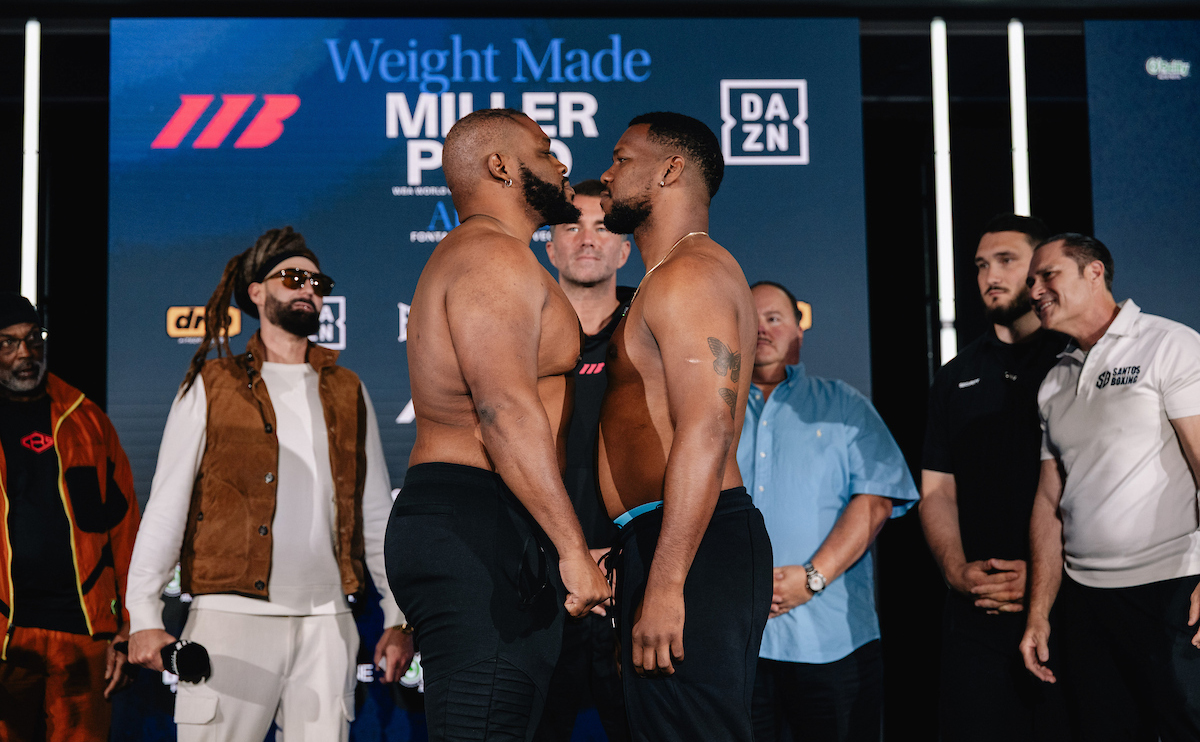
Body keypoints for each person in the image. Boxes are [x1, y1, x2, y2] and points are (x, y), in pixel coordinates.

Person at [124, 228, 411, 741]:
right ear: (256, 291)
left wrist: (397, 614)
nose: (308, 289)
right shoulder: (212, 384)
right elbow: (168, 503)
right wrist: (143, 611)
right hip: (229, 619)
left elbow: (374, 514)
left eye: (317, 282)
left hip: (328, 621)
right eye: (293, 278)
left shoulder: (349, 390)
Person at [384, 108, 609, 742]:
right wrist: (570, 548)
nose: (562, 163)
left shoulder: (497, 256)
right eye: (545, 150)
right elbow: (502, 410)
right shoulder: (490, 259)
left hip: (482, 521)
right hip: (477, 521)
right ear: (500, 166)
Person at [597, 111, 772, 742]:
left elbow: (707, 430)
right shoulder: (664, 277)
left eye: (621, 158)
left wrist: (668, 585)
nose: (606, 173)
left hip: (694, 547)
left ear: (670, 169)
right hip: (668, 539)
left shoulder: (690, 274)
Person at [1020, 234, 1200, 741]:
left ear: (1094, 272)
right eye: (1031, 280)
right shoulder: (1054, 381)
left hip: (1173, 593)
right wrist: (1038, 613)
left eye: (1047, 274)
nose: (1034, 289)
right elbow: (1048, 502)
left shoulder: (1169, 344)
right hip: (1087, 605)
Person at [739, 281, 918, 742]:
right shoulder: (711, 412)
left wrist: (812, 577)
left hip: (831, 643)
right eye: (750, 317)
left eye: (774, 317)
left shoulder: (843, 405)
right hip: (736, 644)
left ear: (799, 328)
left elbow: (876, 499)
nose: (761, 328)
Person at [920, 215, 1071, 741]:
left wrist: (1050, 577)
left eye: (1006, 260)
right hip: (977, 611)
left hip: (1070, 607)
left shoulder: (1076, 362)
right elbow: (937, 490)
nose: (990, 275)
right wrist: (955, 571)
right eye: (982, 265)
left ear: (1042, 270)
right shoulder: (955, 375)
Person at [0, 292, 141, 741]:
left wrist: (130, 626)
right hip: (6, 636)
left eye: (32, 340)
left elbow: (126, 531)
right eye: (8, 344)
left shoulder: (87, 420)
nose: (25, 354)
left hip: (84, 635)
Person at [536, 178, 632, 742]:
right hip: (541, 584)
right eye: (571, 225)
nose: (587, 238)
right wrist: (568, 557)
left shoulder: (655, 328)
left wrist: (625, 558)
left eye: (604, 226)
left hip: (636, 580)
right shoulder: (518, 334)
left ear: (626, 248)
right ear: (549, 246)